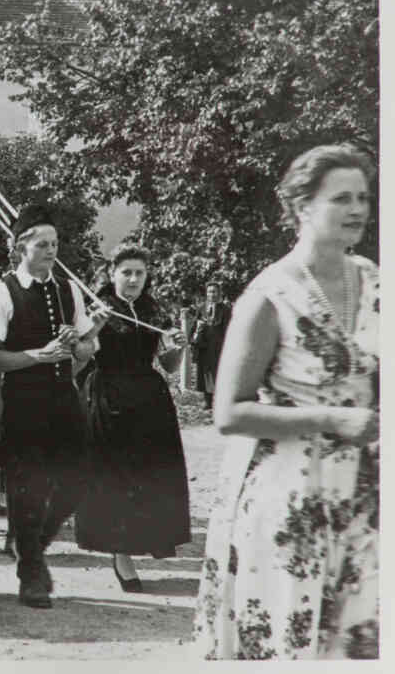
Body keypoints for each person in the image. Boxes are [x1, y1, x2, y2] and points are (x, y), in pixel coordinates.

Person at [194, 145, 378, 660]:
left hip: (365, 499)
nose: (357, 208)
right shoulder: (269, 296)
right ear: (302, 208)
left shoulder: (377, 282)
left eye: (363, 197)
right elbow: (229, 412)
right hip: (289, 499)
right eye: (341, 198)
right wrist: (330, 418)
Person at [0, 205, 108, 608]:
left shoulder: (68, 289)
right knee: (27, 491)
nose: (52, 251)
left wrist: (77, 343)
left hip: (64, 399)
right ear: (21, 248)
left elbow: (88, 349)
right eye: (42, 244)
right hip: (21, 403)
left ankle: (26, 541)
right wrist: (38, 355)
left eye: (55, 244)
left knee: (78, 482)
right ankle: (31, 573)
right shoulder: (1, 292)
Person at [73, 244, 191, 591]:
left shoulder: (154, 309)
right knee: (116, 476)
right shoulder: (97, 307)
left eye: (140, 272)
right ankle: (120, 554)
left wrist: (178, 347)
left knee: (150, 473)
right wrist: (93, 330)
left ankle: (148, 539)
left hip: (149, 398)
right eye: (127, 272)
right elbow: (78, 358)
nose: (134, 279)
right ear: (112, 274)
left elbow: (168, 366)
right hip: (108, 394)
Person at [191, 281, 231, 410]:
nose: (212, 294)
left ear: (219, 293)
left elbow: (229, 329)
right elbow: (194, 327)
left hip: (219, 347)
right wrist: (194, 338)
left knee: (219, 373)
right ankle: (207, 401)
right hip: (205, 347)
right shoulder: (201, 308)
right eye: (209, 292)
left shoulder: (226, 310)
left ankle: (221, 401)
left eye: (214, 291)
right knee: (205, 374)